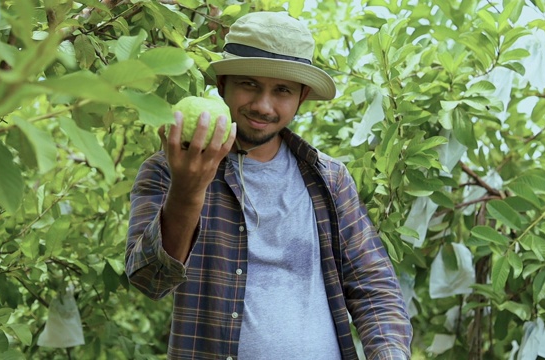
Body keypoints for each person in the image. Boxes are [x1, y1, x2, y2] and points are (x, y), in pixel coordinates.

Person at [126, 11, 412, 360]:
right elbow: (150, 280)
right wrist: (187, 191)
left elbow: (375, 288)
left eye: (282, 90)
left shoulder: (329, 179)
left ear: (302, 96)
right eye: (249, 84)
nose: (263, 106)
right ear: (222, 85)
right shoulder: (168, 170)